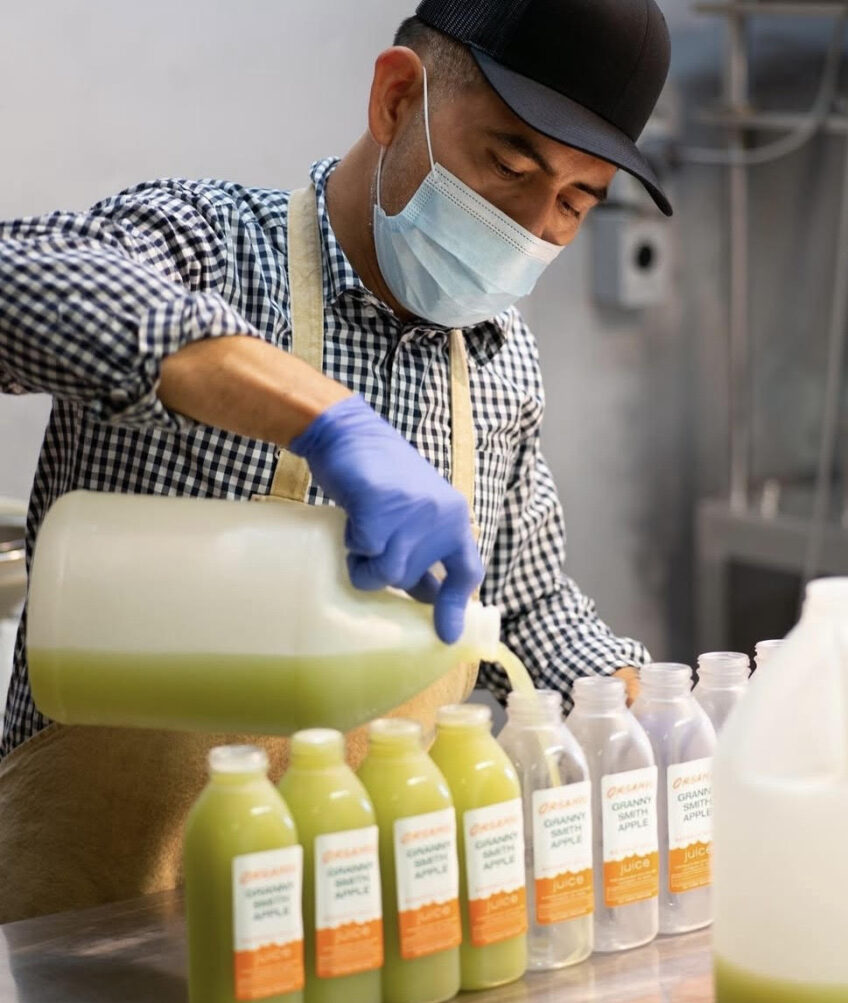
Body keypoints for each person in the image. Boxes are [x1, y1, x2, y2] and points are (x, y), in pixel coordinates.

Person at [0, 0, 673, 920]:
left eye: (573, 203)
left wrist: (656, 707)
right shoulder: (209, 247)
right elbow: (15, 284)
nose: (530, 225)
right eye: (509, 165)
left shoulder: (499, 361)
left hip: (354, 930)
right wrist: (326, 420)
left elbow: (521, 613)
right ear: (397, 99)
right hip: (96, 926)